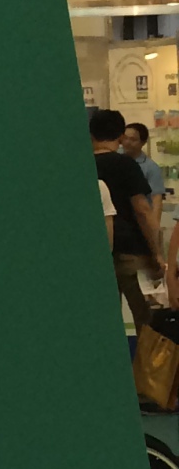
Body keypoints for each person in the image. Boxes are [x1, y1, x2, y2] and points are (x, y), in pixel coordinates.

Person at [94, 108, 162, 328]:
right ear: (121, 136)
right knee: (144, 318)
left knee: (102, 318)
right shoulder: (126, 165)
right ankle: (144, 352)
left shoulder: (81, 165)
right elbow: (142, 210)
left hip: (95, 251)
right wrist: (156, 252)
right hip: (131, 249)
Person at [124, 122, 167, 198]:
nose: (127, 142)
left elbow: (156, 198)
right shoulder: (115, 159)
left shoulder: (151, 167)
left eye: (133, 139)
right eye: (125, 138)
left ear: (143, 142)